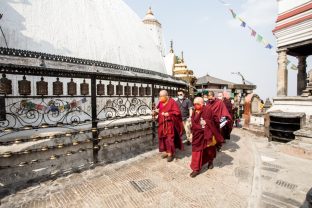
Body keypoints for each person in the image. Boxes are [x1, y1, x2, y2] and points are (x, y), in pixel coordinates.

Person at [189, 97, 221, 178]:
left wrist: (207, 122)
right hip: (197, 135)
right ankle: (196, 169)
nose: (196, 105)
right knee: (196, 151)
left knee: (209, 150)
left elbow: (216, 120)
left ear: (202, 103)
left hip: (207, 134)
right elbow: (193, 122)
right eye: (194, 104)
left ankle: (210, 161)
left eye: (198, 104)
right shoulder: (194, 111)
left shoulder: (208, 110)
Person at [153, 90, 184, 162]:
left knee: (169, 139)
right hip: (162, 123)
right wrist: (154, 112)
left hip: (169, 124)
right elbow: (158, 110)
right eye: (159, 96)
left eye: (161, 96)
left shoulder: (172, 102)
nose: (160, 98)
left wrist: (169, 114)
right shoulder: (160, 102)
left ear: (166, 96)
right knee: (163, 138)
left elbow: (177, 113)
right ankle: (166, 152)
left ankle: (170, 153)